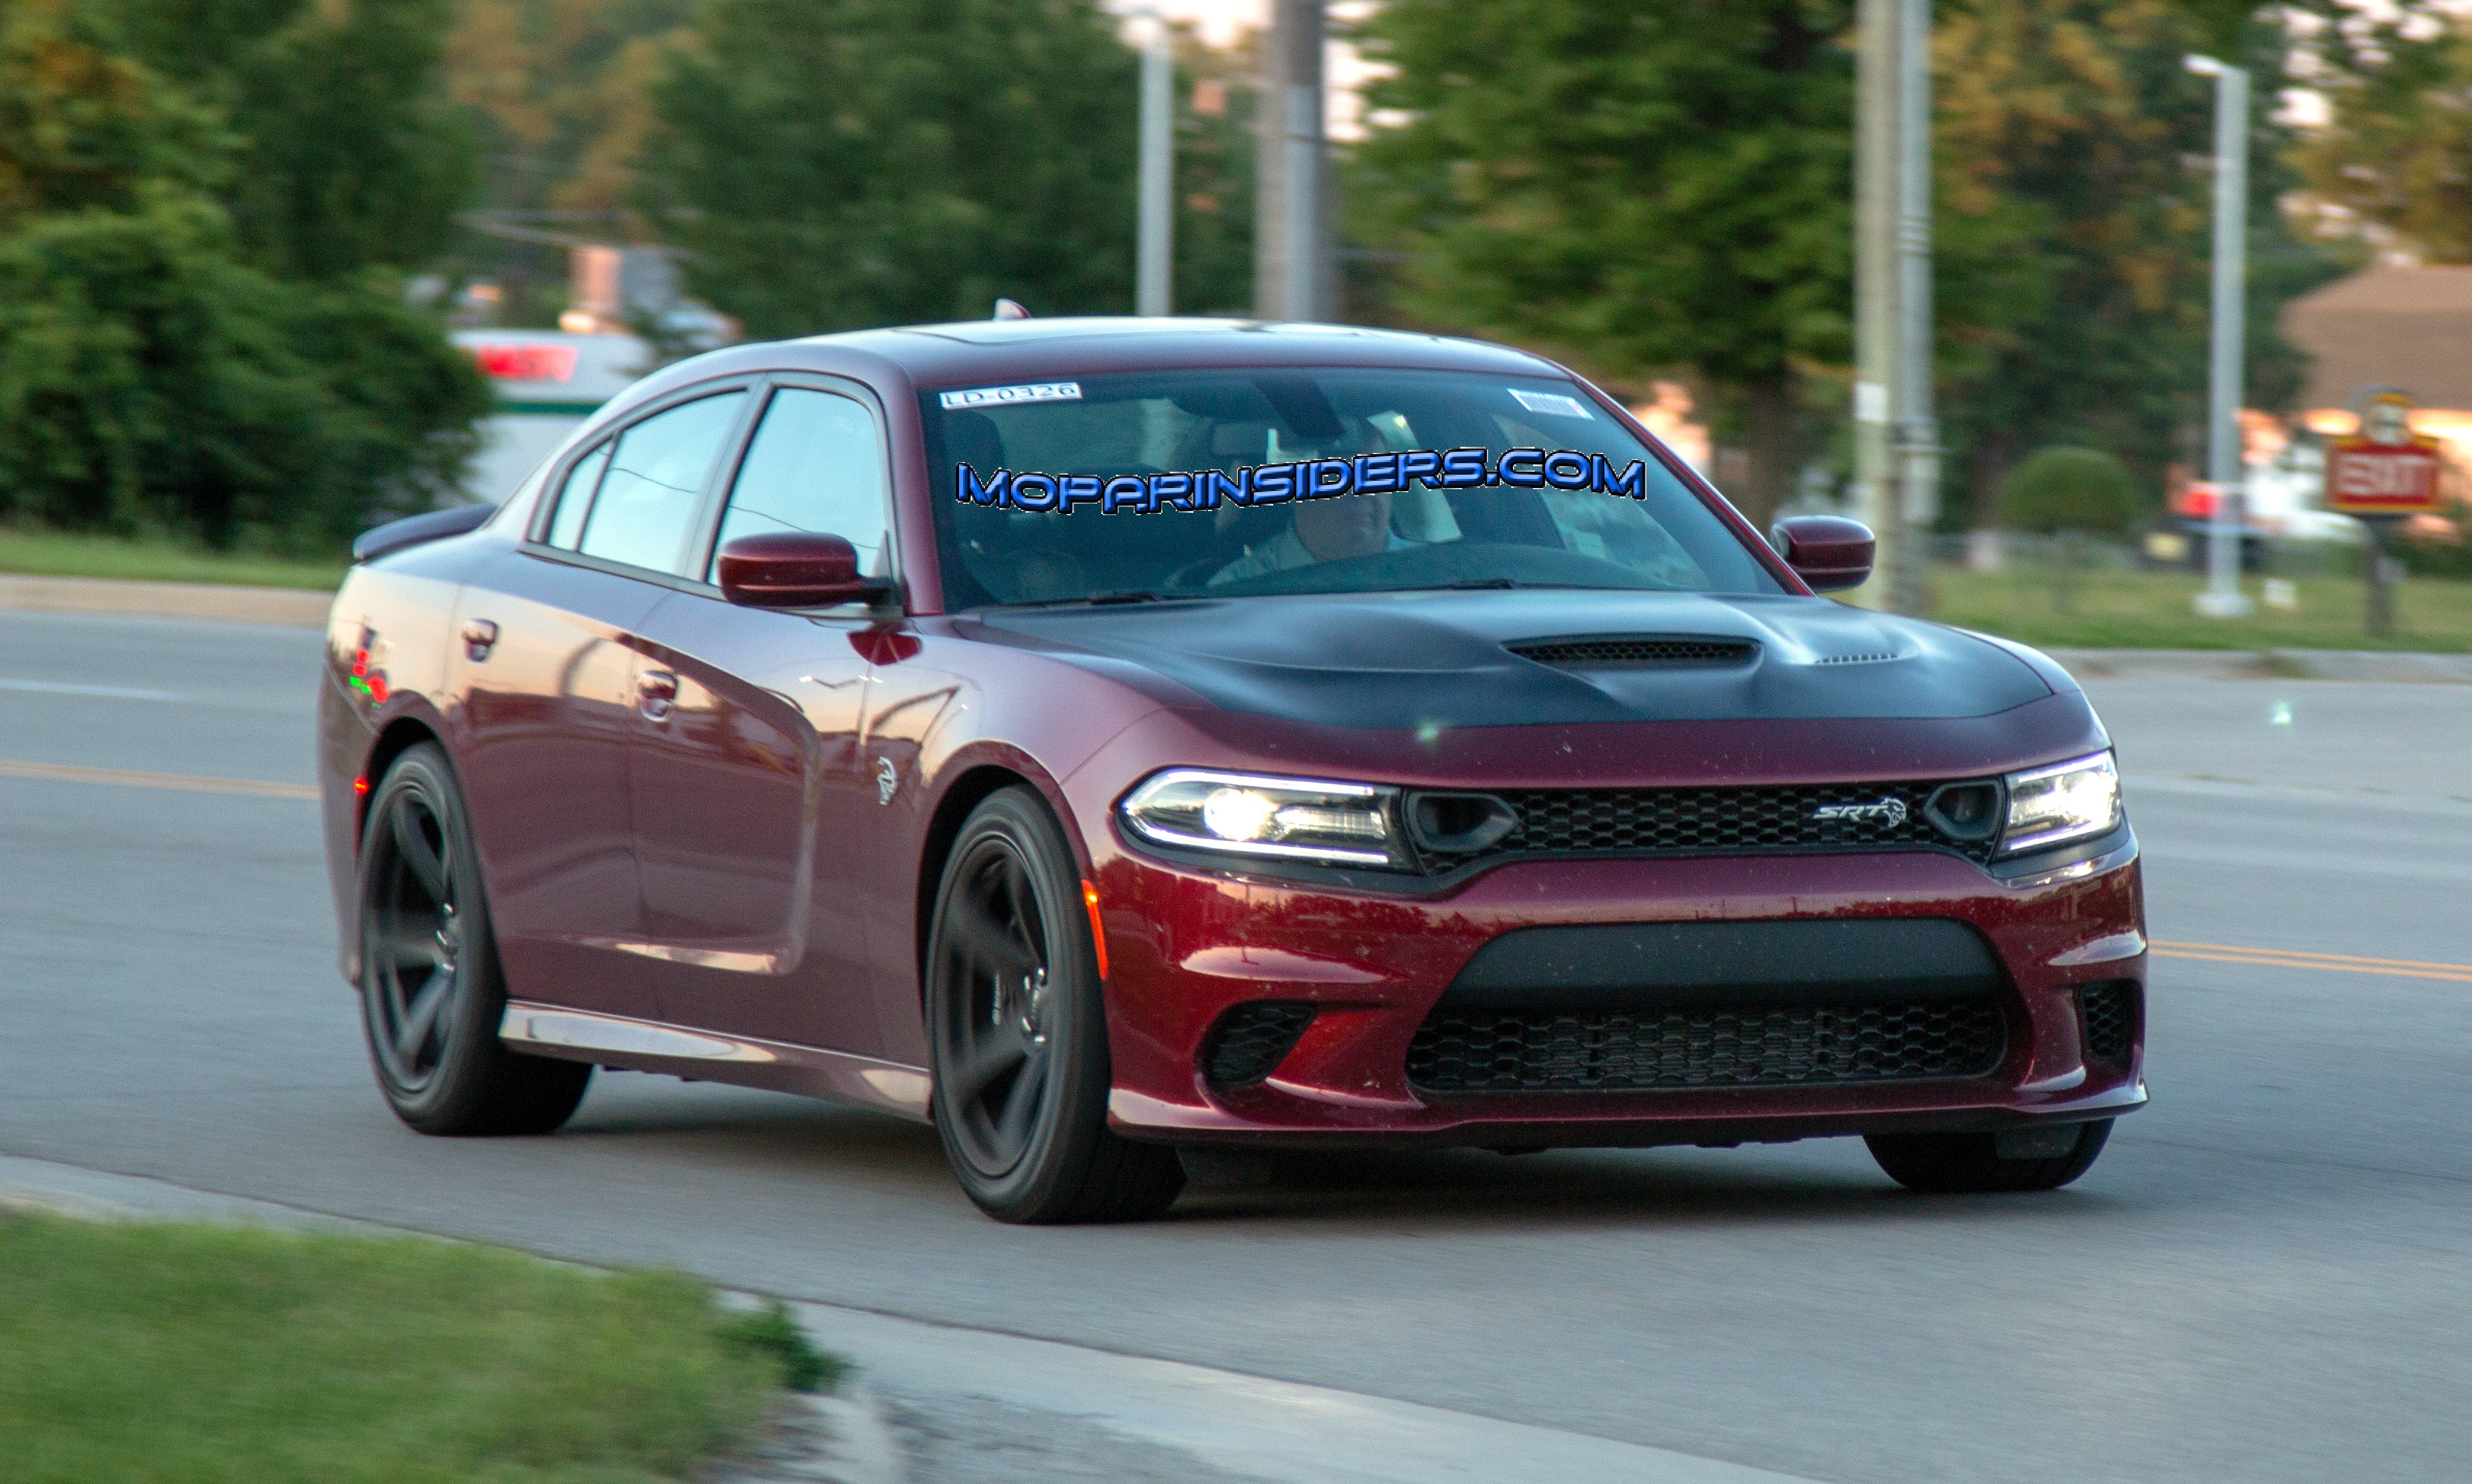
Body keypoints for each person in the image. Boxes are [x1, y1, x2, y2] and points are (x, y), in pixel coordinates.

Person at [1208, 486, 1416, 585]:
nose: (1358, 492)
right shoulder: (1235, 589)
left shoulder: (1434, 570)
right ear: (1293, 493)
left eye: (1375, 474)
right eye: (1334, 477)